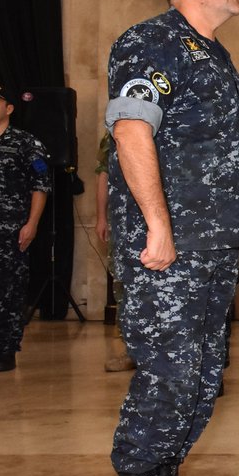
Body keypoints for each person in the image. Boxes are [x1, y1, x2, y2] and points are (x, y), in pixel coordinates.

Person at [105, 0, 239, 476]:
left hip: (213, 242)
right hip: (170, 247)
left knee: (203, 369)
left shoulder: (213, 54)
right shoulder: (152, 43)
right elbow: (132, 132)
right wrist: (159, 227)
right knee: (168, 368)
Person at [0, 83, 51, 373]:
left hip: (10, 234)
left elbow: (40, 186)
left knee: (8, 292)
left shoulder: (26, 144)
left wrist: (32, 224)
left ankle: (5, 351)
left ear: (9, 109)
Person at [95, 132, 135, 372]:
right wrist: (101, 217)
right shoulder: (113, 135)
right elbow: (104, 176)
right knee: (122, 285)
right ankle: (130, 351)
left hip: (161, 220)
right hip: (122, 220)